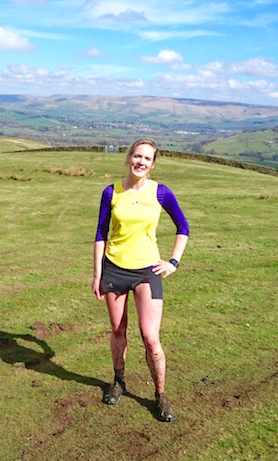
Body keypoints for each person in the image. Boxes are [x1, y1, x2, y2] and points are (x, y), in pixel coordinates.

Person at [93, 138, 190, 422]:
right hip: (114, 269)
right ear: (128, 158)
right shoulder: (111, 192)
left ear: (153, 164)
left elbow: (183, 226)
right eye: (137, 156)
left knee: (150, 338)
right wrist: (98, 273)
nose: (140, 162)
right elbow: (101, 233)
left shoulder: (161, 193)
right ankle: (118, 380)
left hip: (147, 271)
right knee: (118, 330)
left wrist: (173, 261)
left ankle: (160, 395)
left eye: (147, 159)